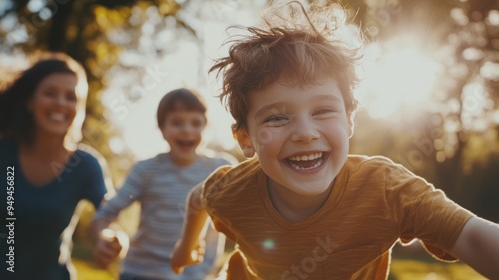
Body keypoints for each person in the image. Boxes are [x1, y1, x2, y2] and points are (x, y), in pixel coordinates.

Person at [170, 2, 499, 279]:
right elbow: (199, 199)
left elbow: (471, 237)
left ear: (349, 120)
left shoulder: (387, 189)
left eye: (323, 110)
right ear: (246, 139)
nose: (304, 132)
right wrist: (186, 248)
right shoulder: (231, 189)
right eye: (277, 117)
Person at [0, 52, 124, 280]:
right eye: (50, 93)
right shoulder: (3, 153)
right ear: (30, 100)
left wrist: (107, 238)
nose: (60, 103)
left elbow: (107, 213)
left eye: (71, 97)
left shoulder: (85, 165)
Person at [93, 88, 235, 280]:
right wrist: (105, 236)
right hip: (141, 273)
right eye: (177, 122)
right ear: (162, 129)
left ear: (205, 128)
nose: (187, 129)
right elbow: (107, 212)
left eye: (195, 123)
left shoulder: (221, 169)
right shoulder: (146, 170)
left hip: (194, 276)